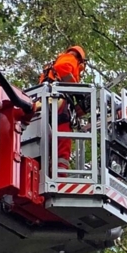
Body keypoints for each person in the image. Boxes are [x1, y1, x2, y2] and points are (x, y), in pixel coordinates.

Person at [38, 46, 87, 174]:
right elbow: (63, 69)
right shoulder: (70, 58)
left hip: (46, 102)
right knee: (64, 135)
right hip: (57, 100)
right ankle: (60, 174)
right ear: (81, 60)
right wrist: (77, 90)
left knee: (48, 140)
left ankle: (48, 170)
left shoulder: (54, 65)